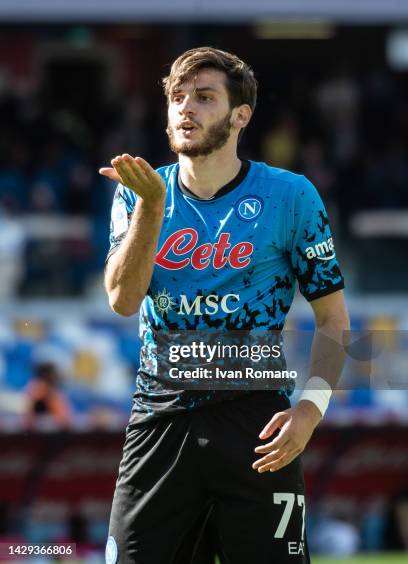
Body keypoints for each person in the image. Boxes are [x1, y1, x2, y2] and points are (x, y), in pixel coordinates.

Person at [100, 47, 349, 564]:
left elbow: (333, 318)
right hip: (160, 420)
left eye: (204, 97)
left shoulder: (291, 196)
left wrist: (310, 409)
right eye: (177, 97)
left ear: (241, 116)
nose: (186, 108)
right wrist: (151, 207)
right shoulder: (139, 192)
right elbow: (122, 300)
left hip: (256, 425)